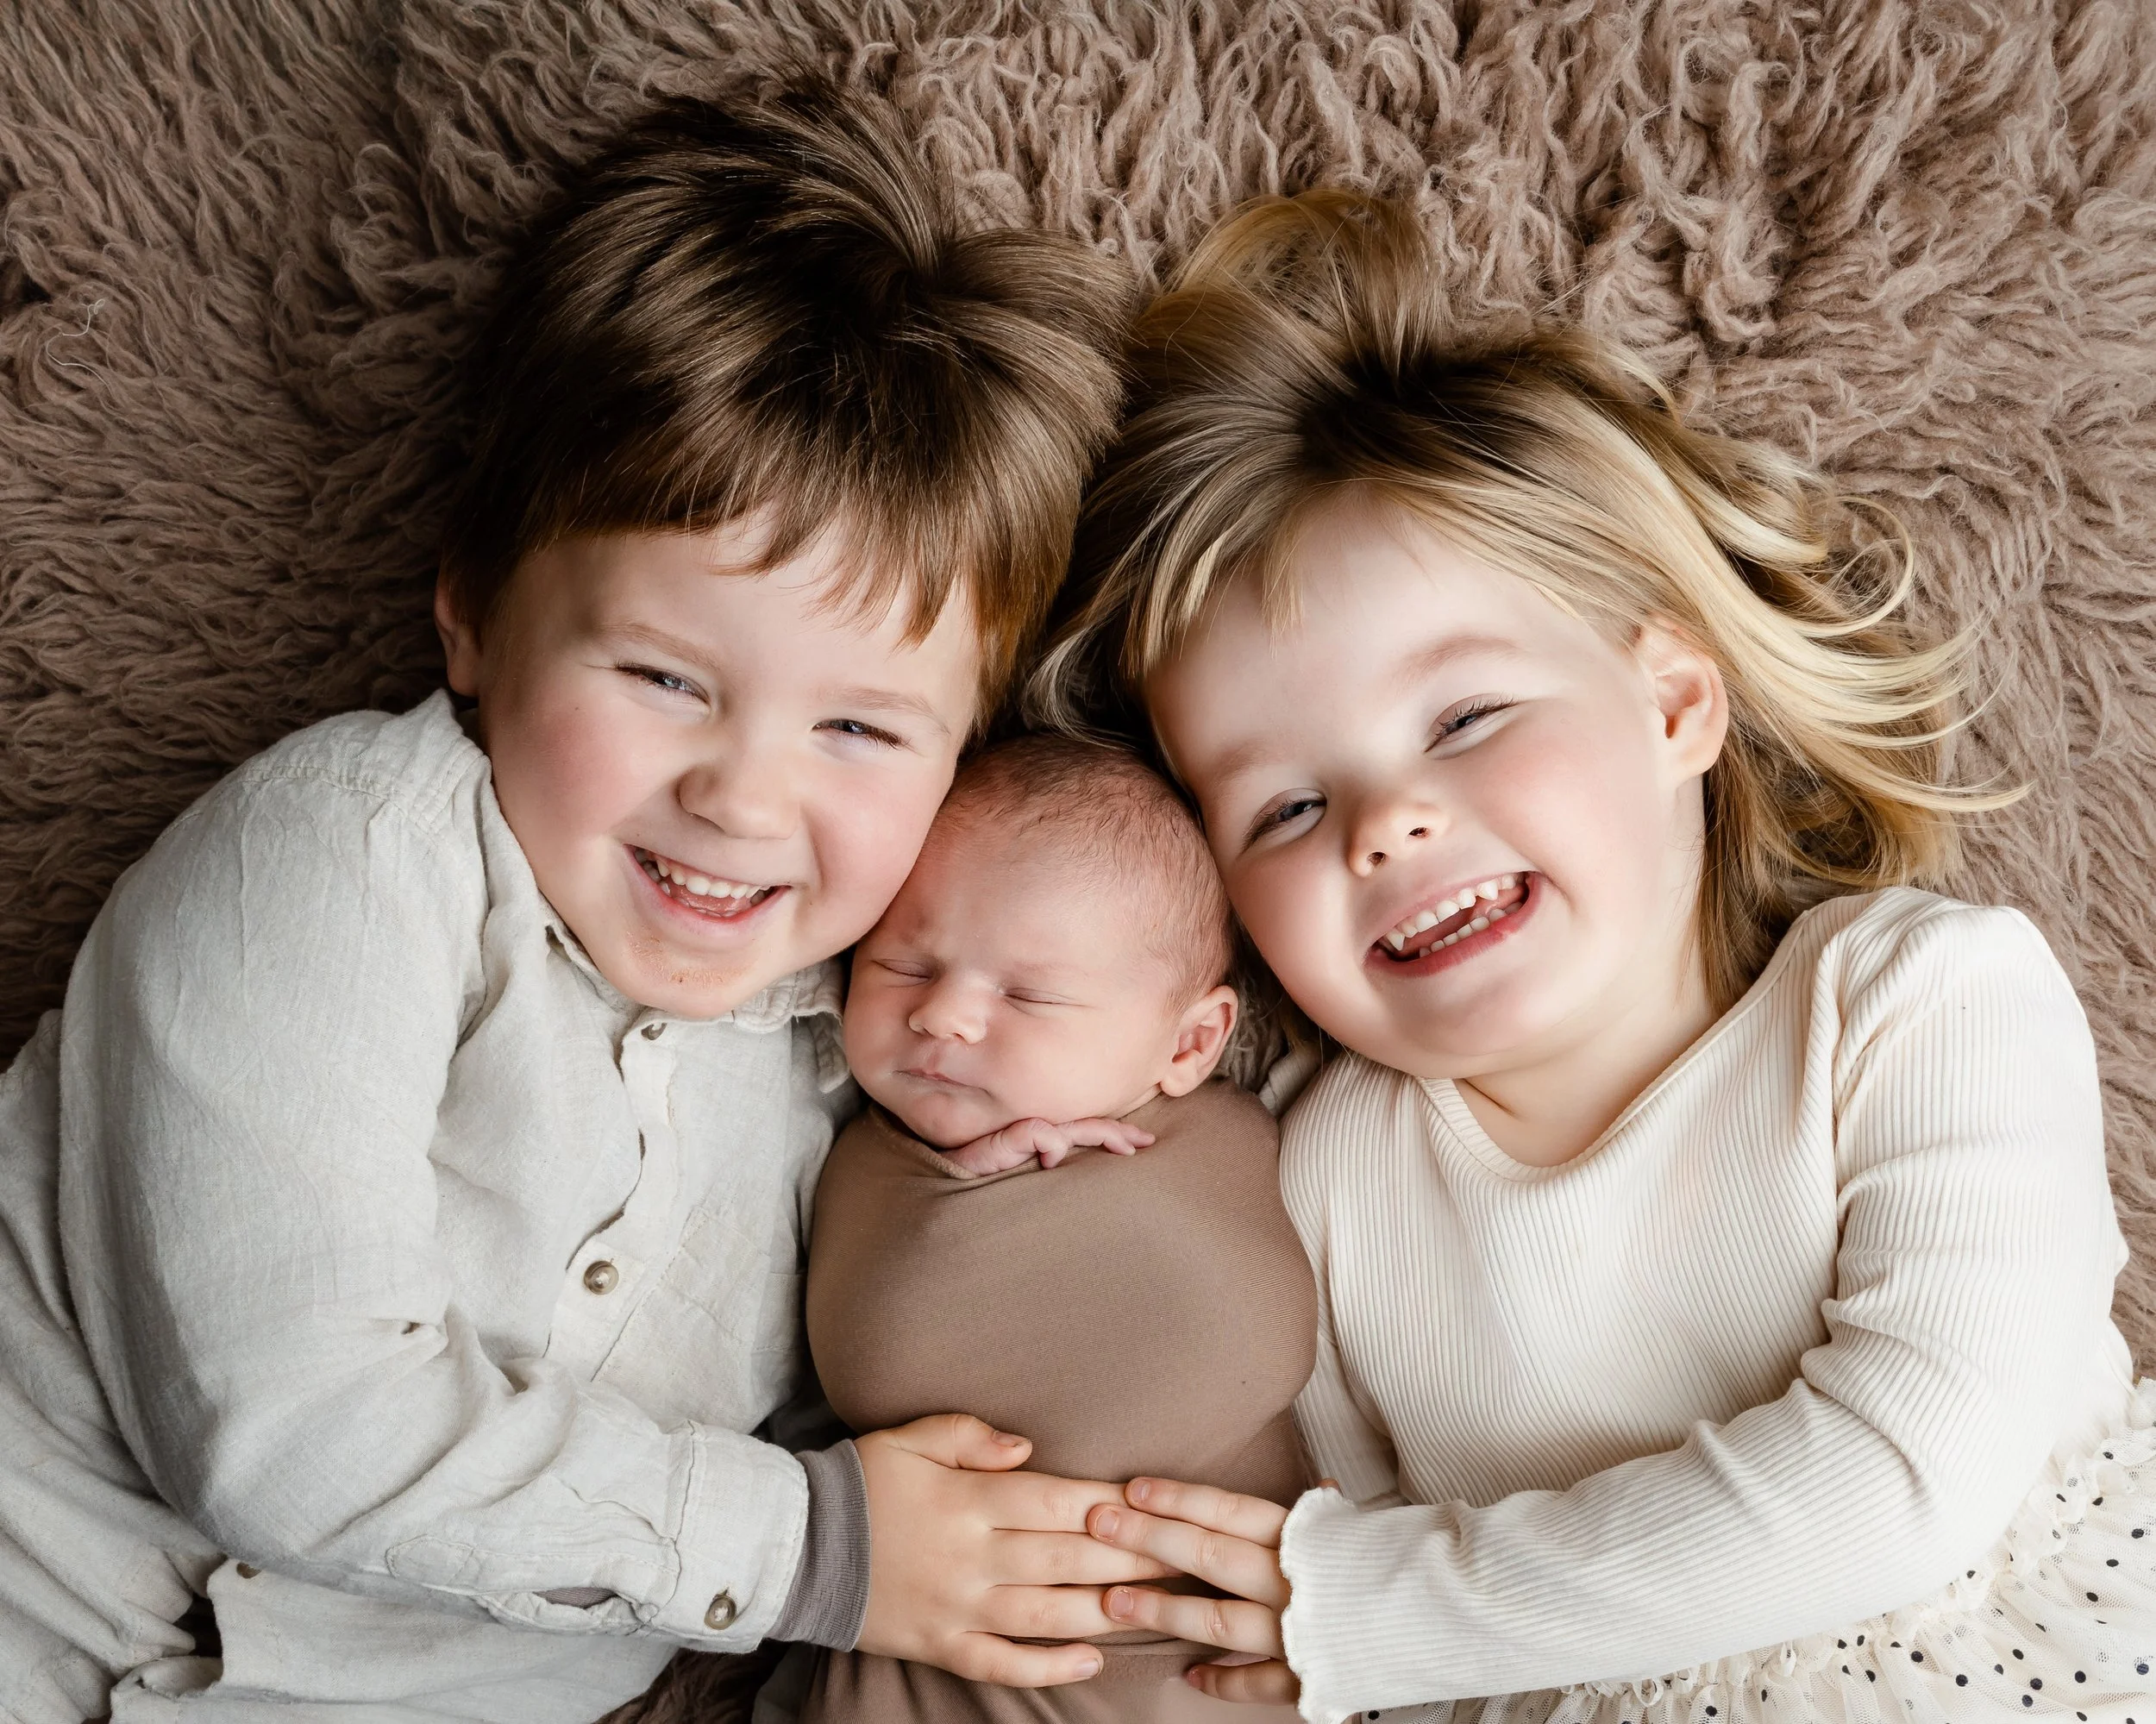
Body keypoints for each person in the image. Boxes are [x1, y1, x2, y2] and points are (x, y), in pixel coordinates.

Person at [0, 77, 1157, 1724]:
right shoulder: (348, 854)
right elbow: (292, 1418)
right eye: (666, 676)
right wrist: (815, 1544)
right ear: (472, 612)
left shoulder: (866, 1040)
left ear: (962, 746)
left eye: (858, 726)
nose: (744, 797)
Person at [1035, 190, 2154, 1724]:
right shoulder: (1324, 1180)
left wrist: (1380, 1600)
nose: (1384, 822)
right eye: (1285, 803)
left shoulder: (1915, 1002)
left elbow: (1913, 1467)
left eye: (1464, 716)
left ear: (1677, 702)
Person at [788, 733, 1316, 1724]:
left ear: (1191, 1043)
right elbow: (878, 1358)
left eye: (1027, 995)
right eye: (901, 964)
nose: (941, 1015)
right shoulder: (857, 1156)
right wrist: (941, 1182)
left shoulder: (1256, 1135)